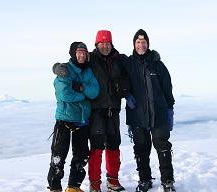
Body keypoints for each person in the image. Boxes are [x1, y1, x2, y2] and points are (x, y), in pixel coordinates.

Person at [53, 30, 128, 192]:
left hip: (113, 109)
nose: (105, 46)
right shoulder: (91, 58)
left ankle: (113, 180)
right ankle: (94, 183)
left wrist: (153, 57)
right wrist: (57, 67)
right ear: (96, 45)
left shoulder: (119, 59)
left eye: (108, 43)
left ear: (111, 44)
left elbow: (135, 65)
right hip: (96, 110)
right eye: (102, 44)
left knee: (114, 145)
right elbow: (72, 64)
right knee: (97, 146)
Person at [124, 29, 176, 192]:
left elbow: (167, 87)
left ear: (148, 44)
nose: (141, 45)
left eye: (144, 42)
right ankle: (144, 180)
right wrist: (126, 94)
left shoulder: (158, 64)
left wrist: (170, 108)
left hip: (159, 113)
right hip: (137, 114)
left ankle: (168, 181)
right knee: (141, 148)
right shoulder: (128, 63)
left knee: (163, 146)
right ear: (134, 44)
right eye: (138, 42)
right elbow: (117, 79)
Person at [47, 42, 99, 192]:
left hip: (82, 120)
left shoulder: (88, 71)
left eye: (84, 52)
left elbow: (95, 91)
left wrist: (81, 87)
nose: (82, 55)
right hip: (65, 119)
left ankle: (73, 187)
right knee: (58, 156)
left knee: (81, 155)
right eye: (79, 52)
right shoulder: (64, 70)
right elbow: (65, 94)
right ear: (73, 54)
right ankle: (55, 187)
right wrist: (84, 95)